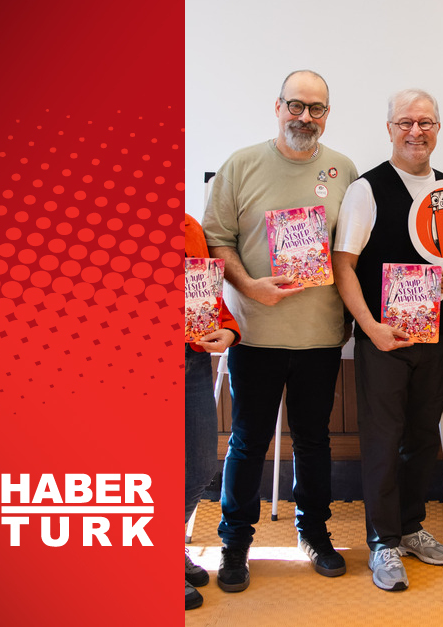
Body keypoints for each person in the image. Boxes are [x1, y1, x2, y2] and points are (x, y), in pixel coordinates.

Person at [202, 69, 358, 592]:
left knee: (315, 442)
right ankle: (235, 542)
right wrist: (249, 286)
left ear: (327, 114)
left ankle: (314, 532)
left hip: (319, 336)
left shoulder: (344, 170)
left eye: (316, 109)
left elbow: (353, 252)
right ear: (278, 106)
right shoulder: (241, 165)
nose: (305, 118)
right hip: (256, 334)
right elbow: (215, 239)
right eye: (296, 106)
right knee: (247, 442)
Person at [333, 89, 443, 592]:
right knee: (384, 441)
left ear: (437, 128)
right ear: (389, 128)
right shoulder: (366, 190)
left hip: (435, 337)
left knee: (422, 439)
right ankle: (383, 541)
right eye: (406, 122)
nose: (416, 131)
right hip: (382, 338)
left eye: (426, 122)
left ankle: (409, 527)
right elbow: (343, 265)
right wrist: (370, 329)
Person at [184, 213, 240, 610]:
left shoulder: (188, 226)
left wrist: (228, 328)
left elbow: (205, 296)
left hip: (192, 364)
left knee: (200, 466)